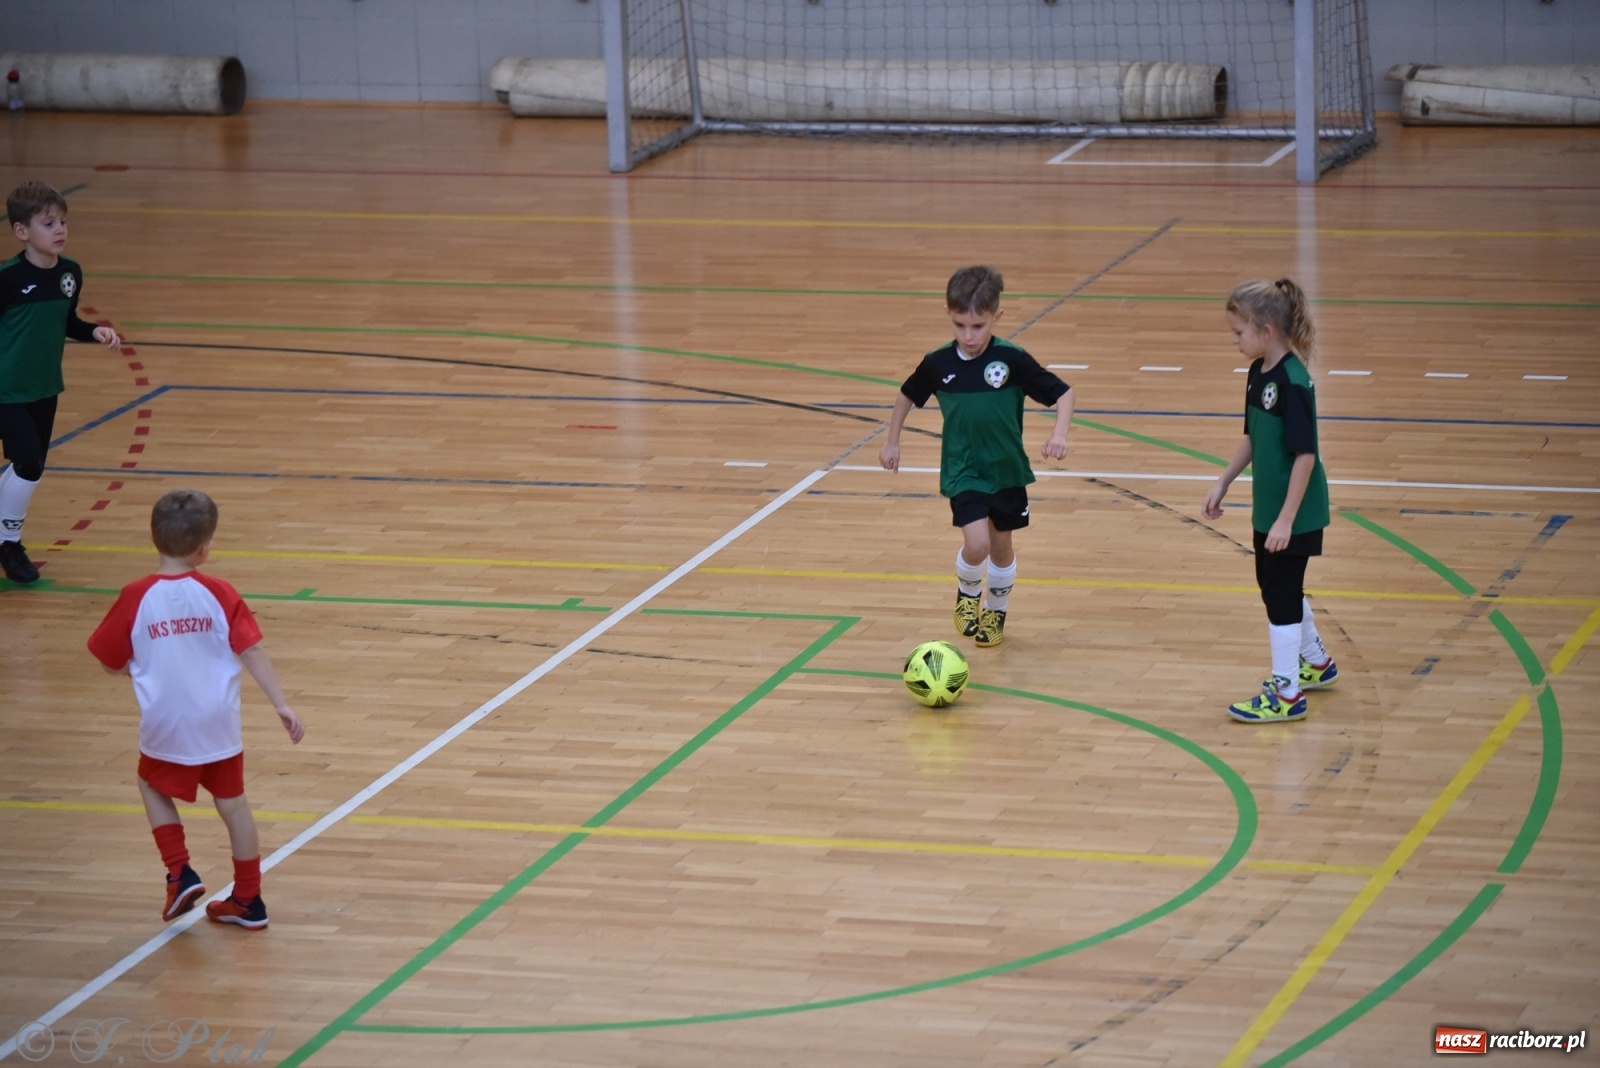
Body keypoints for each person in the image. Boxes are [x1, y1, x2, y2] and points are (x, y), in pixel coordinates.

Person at [88, 489, 305, 929]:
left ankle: (179, 870)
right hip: (218, 723)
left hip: (168, 722)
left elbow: (108, 660)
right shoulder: (220, 592)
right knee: (235, 807)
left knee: (150, 784)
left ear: (153, 537)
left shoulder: (136, 595)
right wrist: (281, 704)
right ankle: (248, 900)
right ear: (205, 546)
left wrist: (140, 669)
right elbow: (253, 651)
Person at [880, 265, 1074, 648]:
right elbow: (907, 395)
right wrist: (893, 441)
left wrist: (1059, 433)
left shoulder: (1012, 360)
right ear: (950, 317)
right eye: (960, 326)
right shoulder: (938, 363)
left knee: (1002, 548)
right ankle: (968, 596)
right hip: (963, 469)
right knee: (978, 544)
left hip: (1007, 470)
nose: (968, 336)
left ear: (996, 318)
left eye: (978, 327)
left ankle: (996, 611)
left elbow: (1064, 394)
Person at [1203, 277, 1339, 723]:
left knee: (1279, 597)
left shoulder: (1294, 383)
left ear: (1266, 330)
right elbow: (1253, 437)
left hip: (1294, 514)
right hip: (1271, 508)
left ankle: (1286, 695)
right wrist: (1224, 481)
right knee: (1276, 587)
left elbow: (1305, 457)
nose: (1234, 340)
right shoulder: (1257, 372)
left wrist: (1285, 520)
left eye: (1239, 333)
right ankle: (1316, 663)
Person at [1, 181, 122, 583]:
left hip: (45, 387)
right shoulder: (8, 279)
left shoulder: (70, 274)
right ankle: (9, 545)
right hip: (7, 390)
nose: (59, 230)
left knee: (27, 467)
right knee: (29, 466)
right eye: (48, 222)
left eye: (63, 222)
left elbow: (67, 321)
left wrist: (94, 332)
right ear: (22, 231)